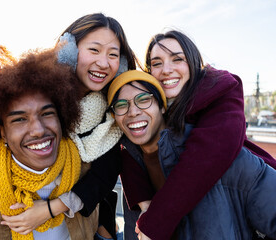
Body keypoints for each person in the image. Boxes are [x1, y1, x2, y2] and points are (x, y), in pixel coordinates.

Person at [0, 13, 139, 240]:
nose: (103, 63)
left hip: (68, 216)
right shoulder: (36, 84)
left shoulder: (111, 118)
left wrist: (50, 209)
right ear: (69, 51)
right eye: (94, 50)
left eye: (113, 54)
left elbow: (104, 176)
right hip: (1, 191)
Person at [108, 30, 276, 240]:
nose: (166, 70)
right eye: (157, 63)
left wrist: (155, 221)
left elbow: (209, 155)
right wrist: (143, 201)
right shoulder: (141, 151)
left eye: (177, 59)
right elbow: (129, 149)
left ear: (194, 63)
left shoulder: (219, 93)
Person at [0, 45, 100, 239]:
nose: (38, 130)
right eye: (20, 119)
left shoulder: (86, 168)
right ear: (2, 132)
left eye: (47, 113)